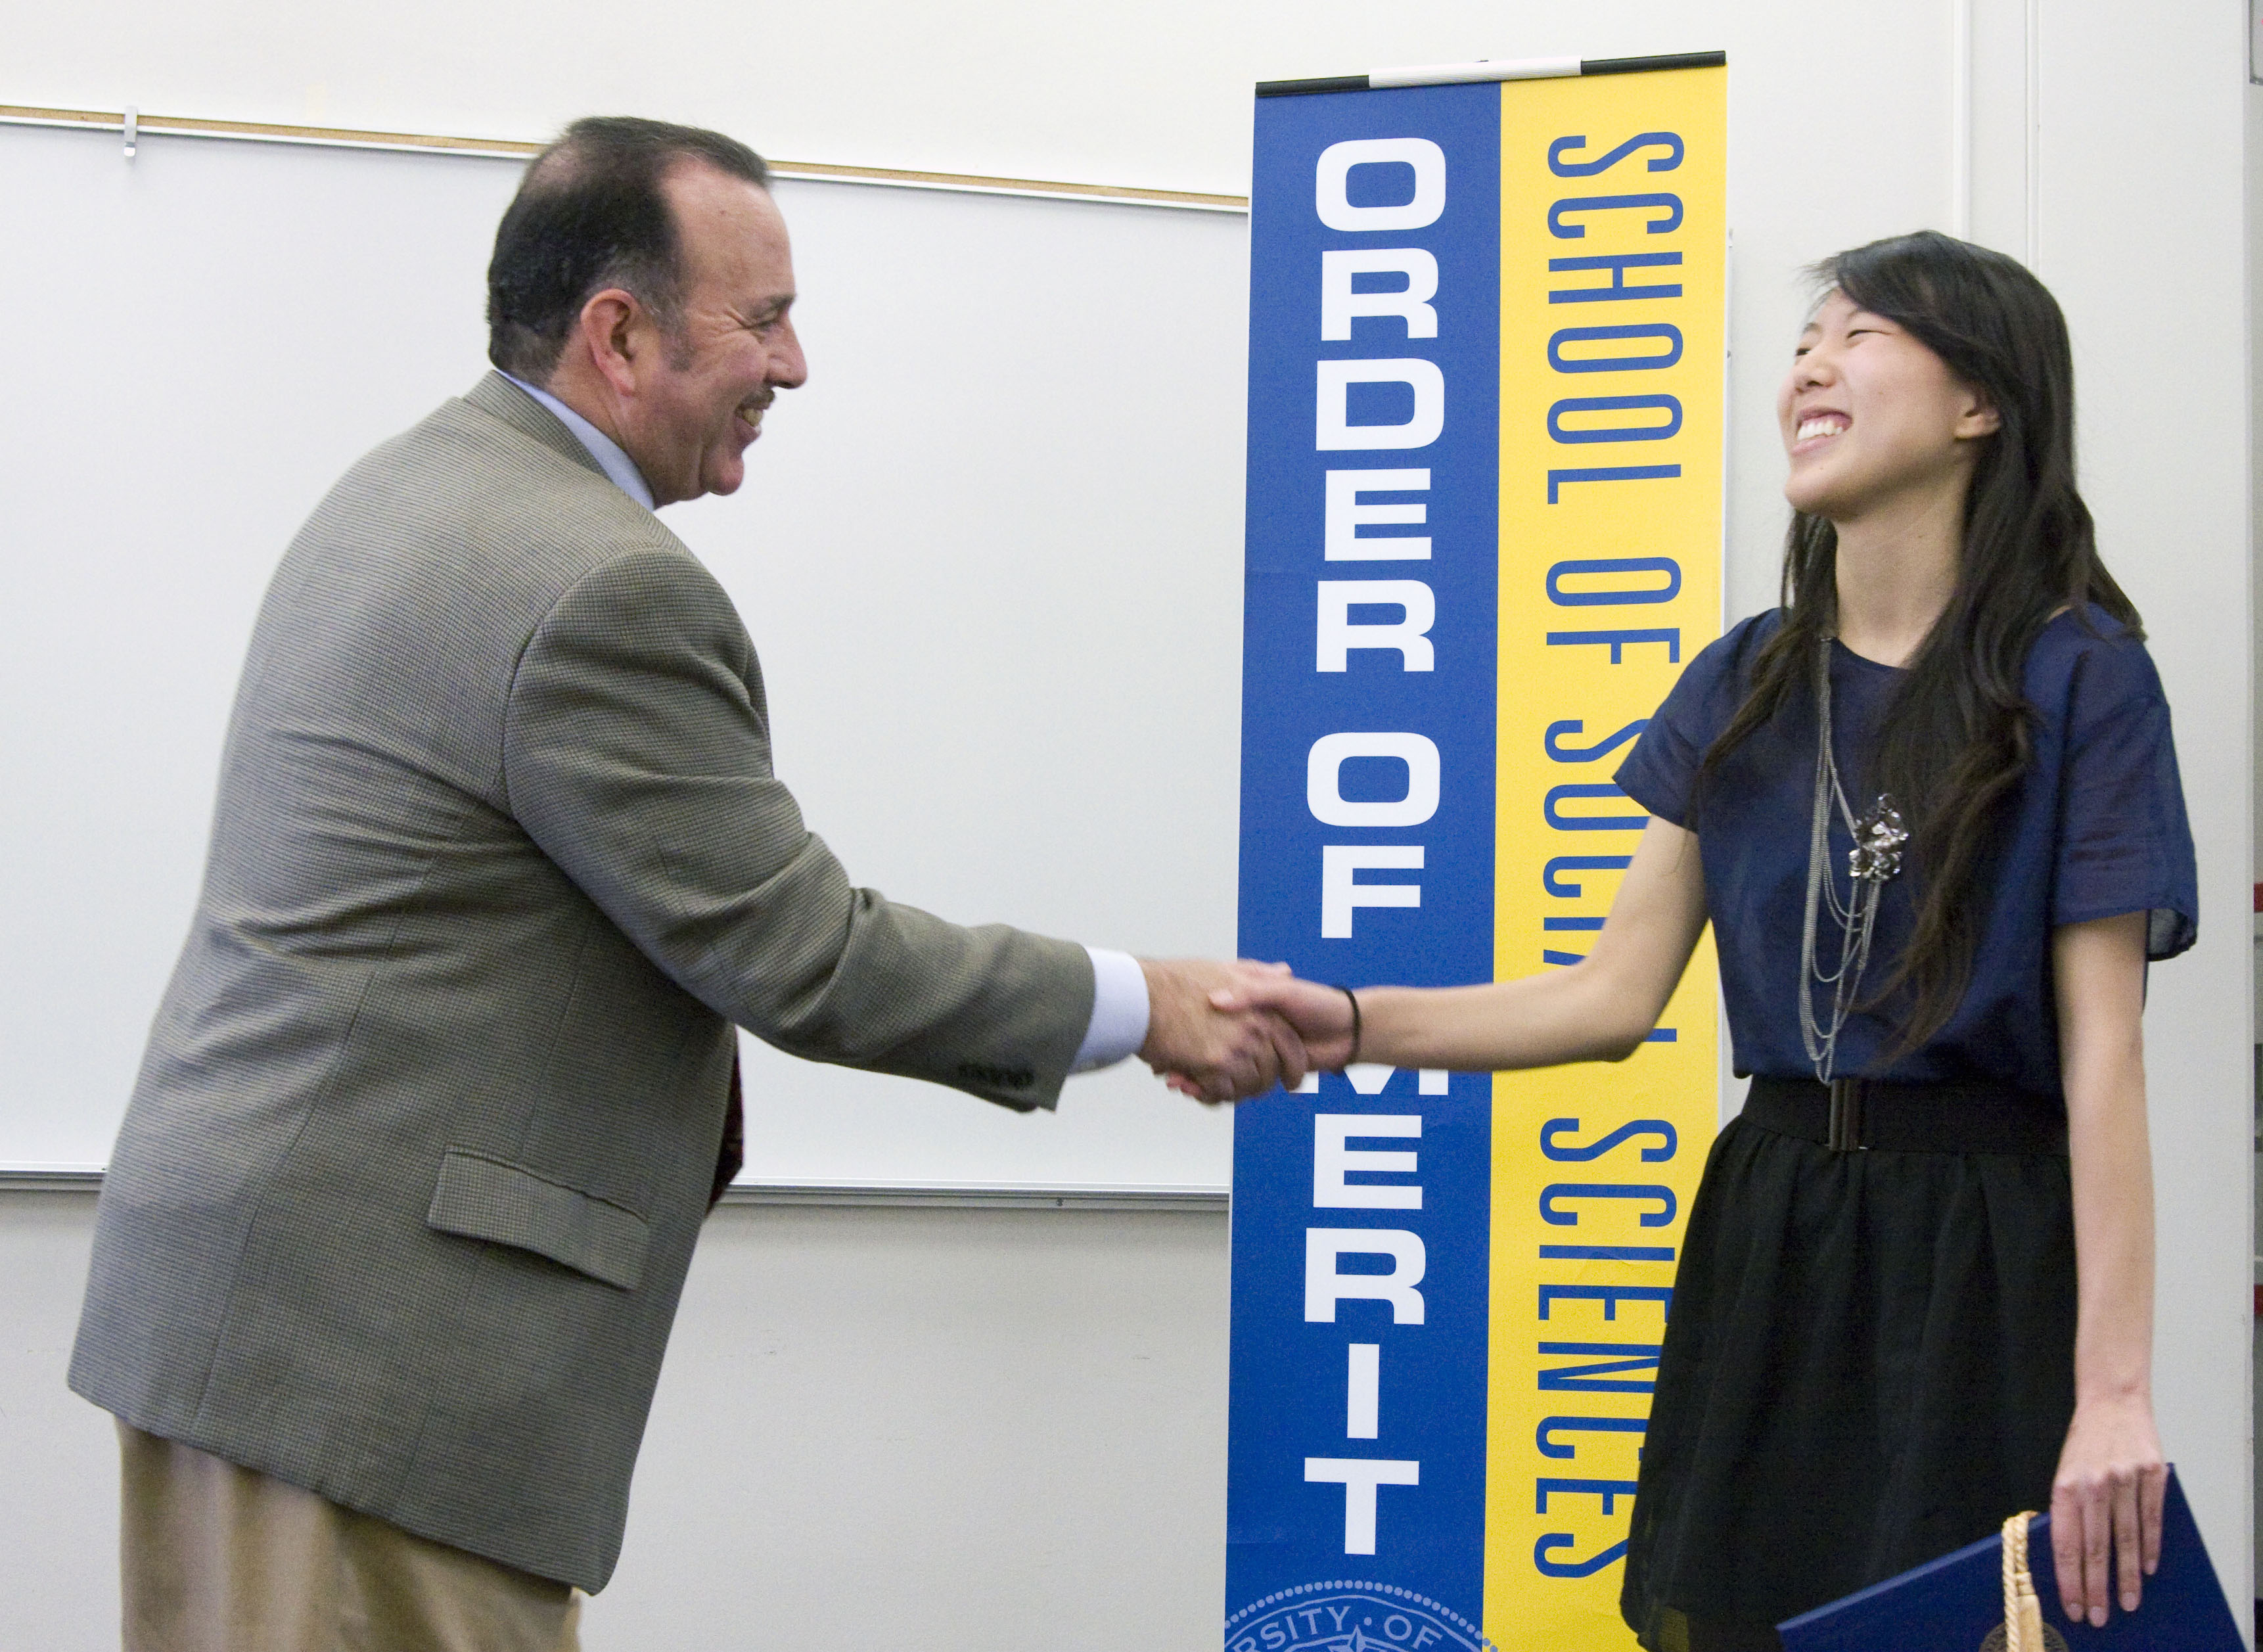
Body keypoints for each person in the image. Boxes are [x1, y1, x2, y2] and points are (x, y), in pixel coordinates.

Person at [69, 116, 1306, 1652]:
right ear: (619, 336)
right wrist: (1148, 1002)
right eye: (763, 320)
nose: (795, 366)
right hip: (361, 1370)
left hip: (255, 1324)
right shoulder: (599, 585)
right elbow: (802, 952)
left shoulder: (411, 487)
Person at [1221, 230, 2195, 1650]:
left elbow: (2108, 1059)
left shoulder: (2082, 677)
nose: (1811, 366)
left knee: (1964, 1625)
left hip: (1985, 1252)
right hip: (1776, 1231)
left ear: (1982, 403)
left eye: (1861, 335)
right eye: (1806, 342)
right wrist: (1352, 1023)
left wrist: (2114, 1392)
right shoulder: (1745, 679)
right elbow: (1609, 995)